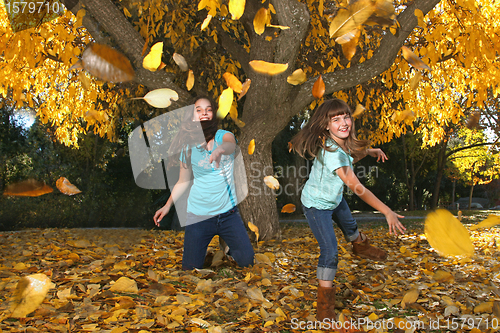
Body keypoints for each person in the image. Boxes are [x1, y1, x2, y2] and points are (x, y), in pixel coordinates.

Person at [290, 98, 406, 322]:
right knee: (330, 251)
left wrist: (370, 151)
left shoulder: (341, 144)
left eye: (346, 117)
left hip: (334, 199)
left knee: (352, 230)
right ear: (326, 125)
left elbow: (351, 153)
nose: (344, 122)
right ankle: (324, 307)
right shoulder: (333, 152)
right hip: (316, 205)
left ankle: (360, 247)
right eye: (336, 119)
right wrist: (387, 211)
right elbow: (359, 189)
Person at [153, 96, 255, 270]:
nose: (204, 113)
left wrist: (220, 150)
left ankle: (230, 250)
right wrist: (167, 206)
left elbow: (230, 145)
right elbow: (183, 181)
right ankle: (212, 255)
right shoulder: (188, 147)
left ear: (213, 114)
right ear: (192, 116)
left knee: (248, 263)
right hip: (198, 215)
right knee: (190, 270)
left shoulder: (223, 136)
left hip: (227, 214)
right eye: (198, 110)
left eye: (208, 109)